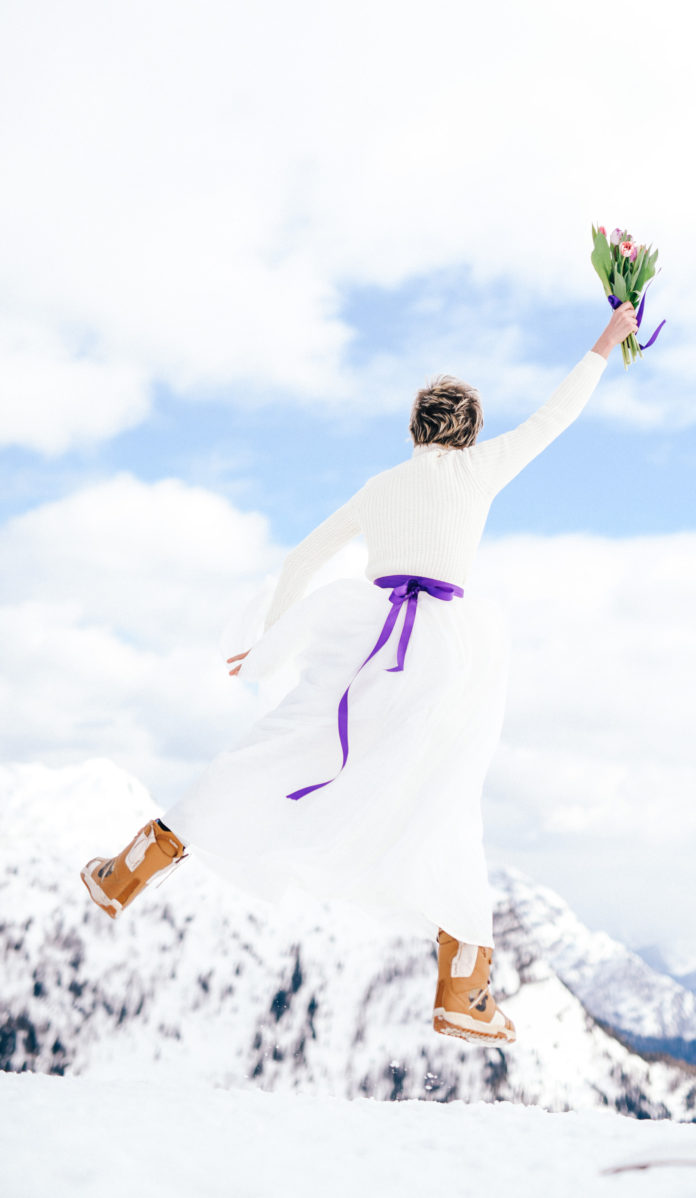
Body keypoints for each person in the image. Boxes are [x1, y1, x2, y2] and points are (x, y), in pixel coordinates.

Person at [81, 301, 639, 1045]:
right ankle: (462, 988)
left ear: (414, 431)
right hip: (443, 651)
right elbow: (555, 415)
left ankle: (128, 871)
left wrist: (274, 636)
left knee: (271, 751)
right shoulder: (480, 469)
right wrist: (608, 338)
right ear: (468, 430)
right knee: (448, 795)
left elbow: (306, 557)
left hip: (357, 635)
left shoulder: (380, 488)